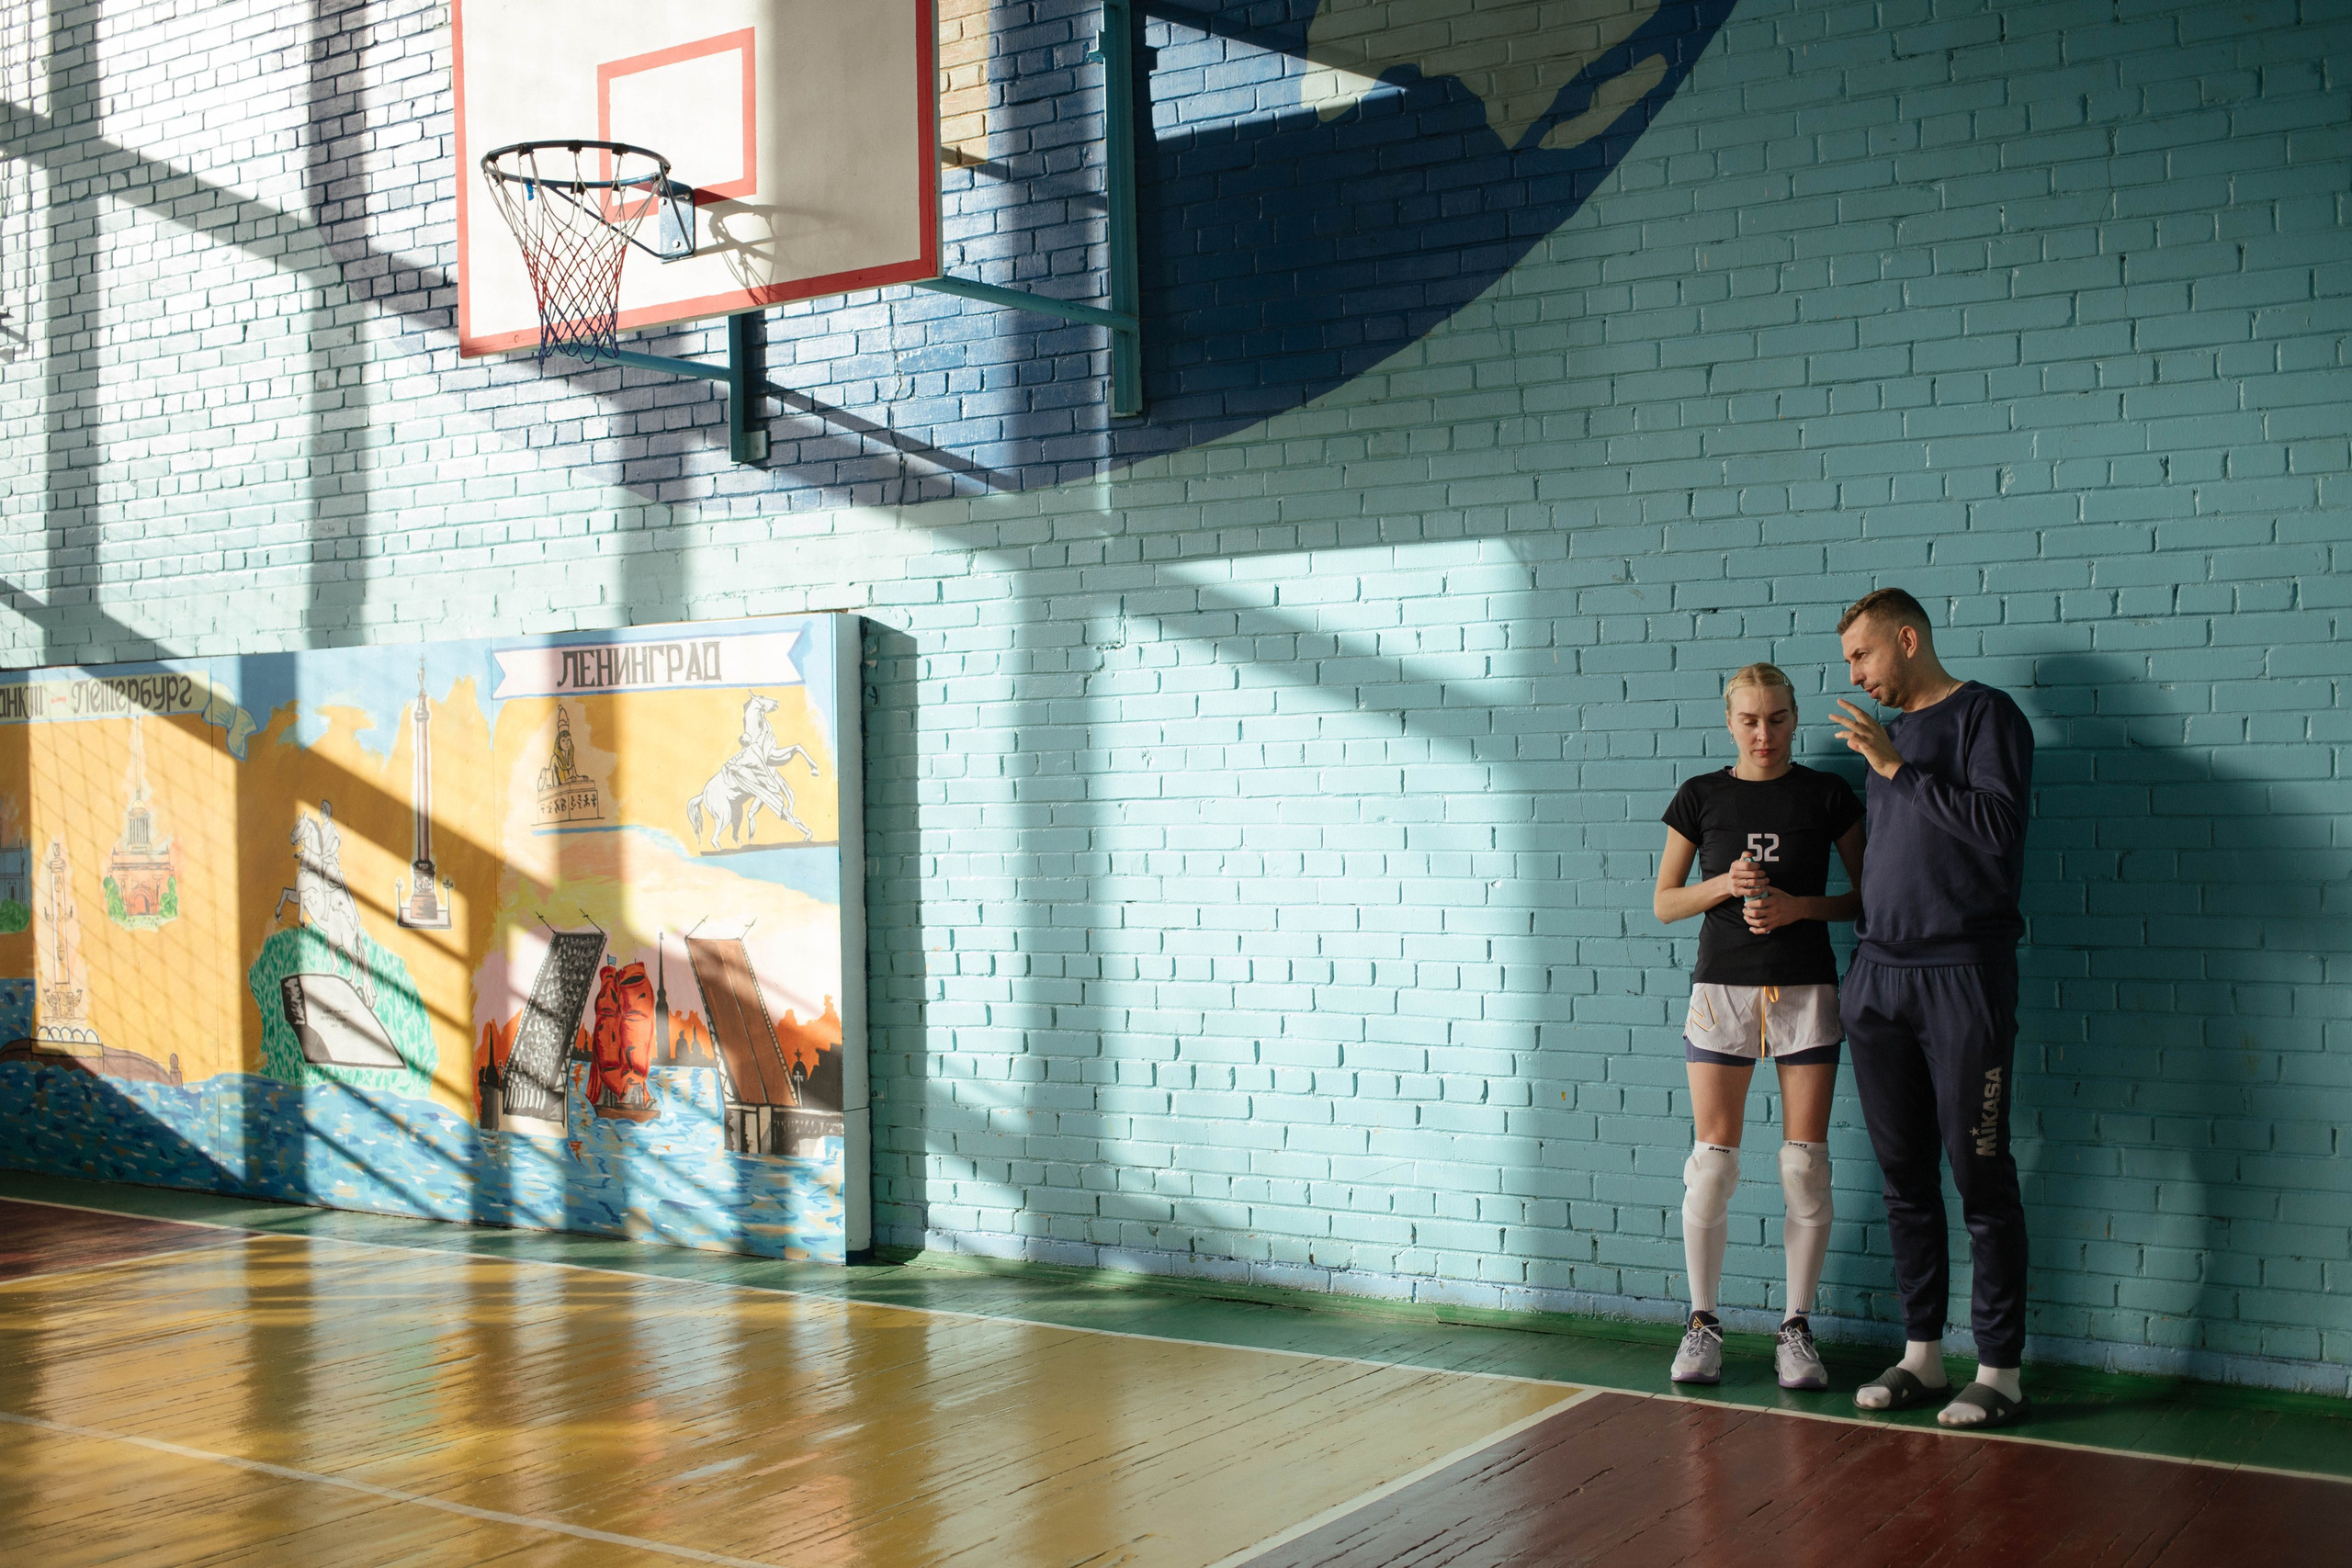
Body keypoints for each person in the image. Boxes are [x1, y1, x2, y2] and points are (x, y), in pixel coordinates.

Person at [1831, 588, 2035, 1429]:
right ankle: (1922, 1353)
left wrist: (1893, 768)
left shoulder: (1986, 716)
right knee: (1903, 1177)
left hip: (1964, 975)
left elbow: (1996, 828)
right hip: (1879, 977)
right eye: (1850, 661)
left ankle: (2000, 1370)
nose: (1856, 674)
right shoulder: (1888, 736)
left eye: (1864, 655)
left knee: (1980, 1179)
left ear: (1908, 640)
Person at [1655, 663, 1866, 1390]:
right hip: (1723, 990)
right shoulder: (1701, 796)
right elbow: (1664, 902)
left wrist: (1799, 907)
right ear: (1729, 721)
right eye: (1750, 719)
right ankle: (1703, 1322)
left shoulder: (1827, 794)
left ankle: (1796, 1327)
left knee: (1803, 1163)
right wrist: (1725, 884)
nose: (1764, 732)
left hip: (1806, 988)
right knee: (1712, 1164)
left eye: (1776, 718)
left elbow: (1869, 898)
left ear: (1793, 716)